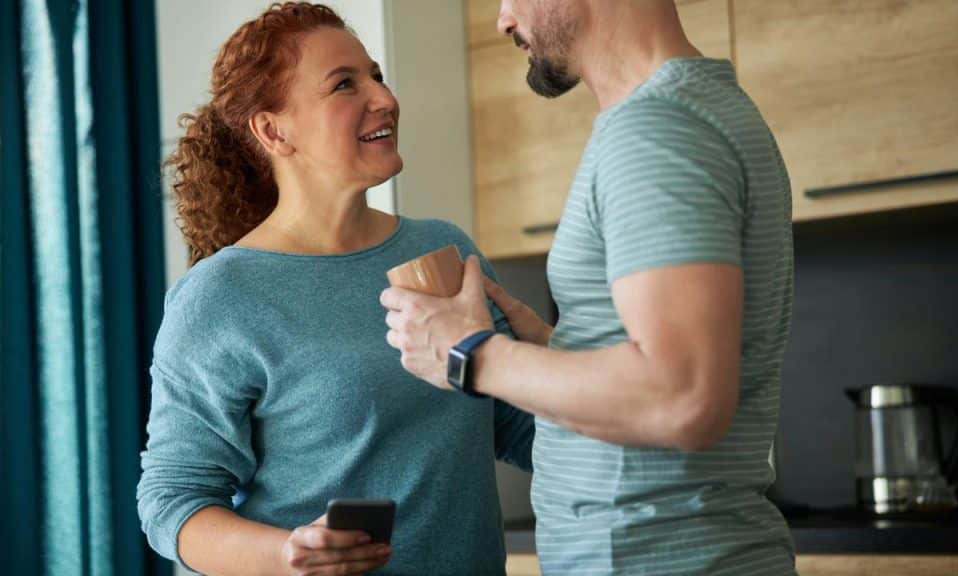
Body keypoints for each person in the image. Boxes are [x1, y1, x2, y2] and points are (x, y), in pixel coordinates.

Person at [380, 0, 795, 574]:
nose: (503, 19)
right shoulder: (683, 113)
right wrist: (557, 347)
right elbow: (662, 370)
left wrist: (472, 356)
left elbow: (684, 397)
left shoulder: (656, 131)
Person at [136, 3, 533, 575]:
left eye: (377, 74)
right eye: (345, 84)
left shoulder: (444, 252)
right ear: (273, 130)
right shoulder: (222, 296)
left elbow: (520, 426)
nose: (383, 98)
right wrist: (288, 554)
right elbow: (172, 502)